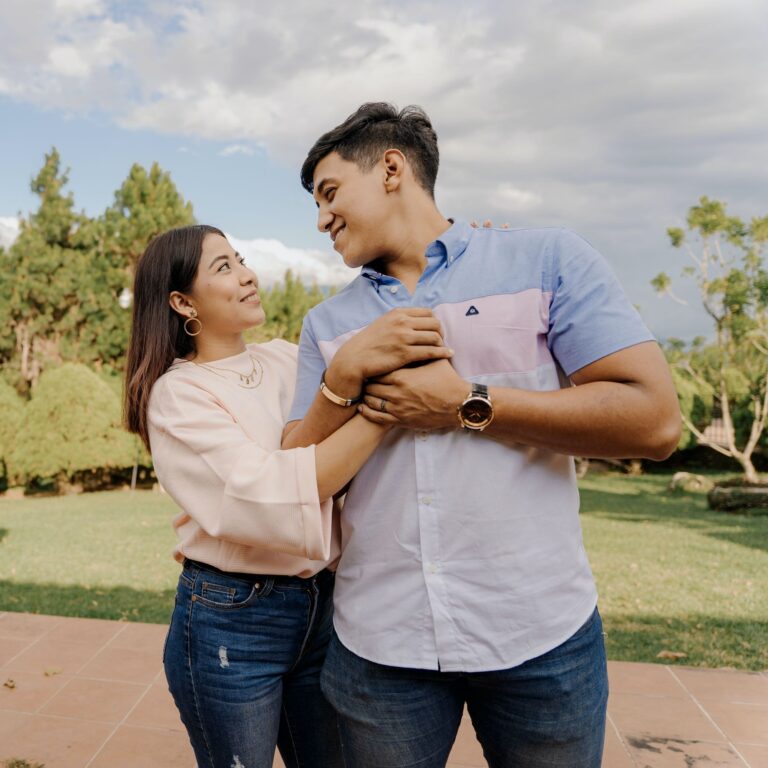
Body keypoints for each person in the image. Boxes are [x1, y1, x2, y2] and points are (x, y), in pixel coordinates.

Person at [283, 103, 682, 767]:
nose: (321, 218)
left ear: (391, 169)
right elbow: (294, 472)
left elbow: (655, 421)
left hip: (540, 635)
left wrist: (467, 404)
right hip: (380, 647)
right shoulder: (326, 324)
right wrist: (345, 376)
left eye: (329, 193)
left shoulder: (546, 259)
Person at [123, 224, 452, 768]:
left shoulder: (283, 357)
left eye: (241, 259)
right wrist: (393, 412)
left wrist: (460, 256)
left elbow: (389, 347)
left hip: (324, 610)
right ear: (183, 302)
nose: (247, 275)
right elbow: (279, 488)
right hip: (232, 619)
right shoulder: (178, 394)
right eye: (223, 268)